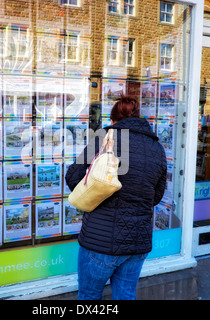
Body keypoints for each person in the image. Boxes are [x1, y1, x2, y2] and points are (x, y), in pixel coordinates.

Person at [65, 96, 167, 300]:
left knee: (89, 296)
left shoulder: (106, 137)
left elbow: (73, 176)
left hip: (100, 241)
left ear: (113, 120)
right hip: (138, 242)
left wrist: (94, 193)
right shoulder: (157, 148)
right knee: (126, 296)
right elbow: (156, 196)